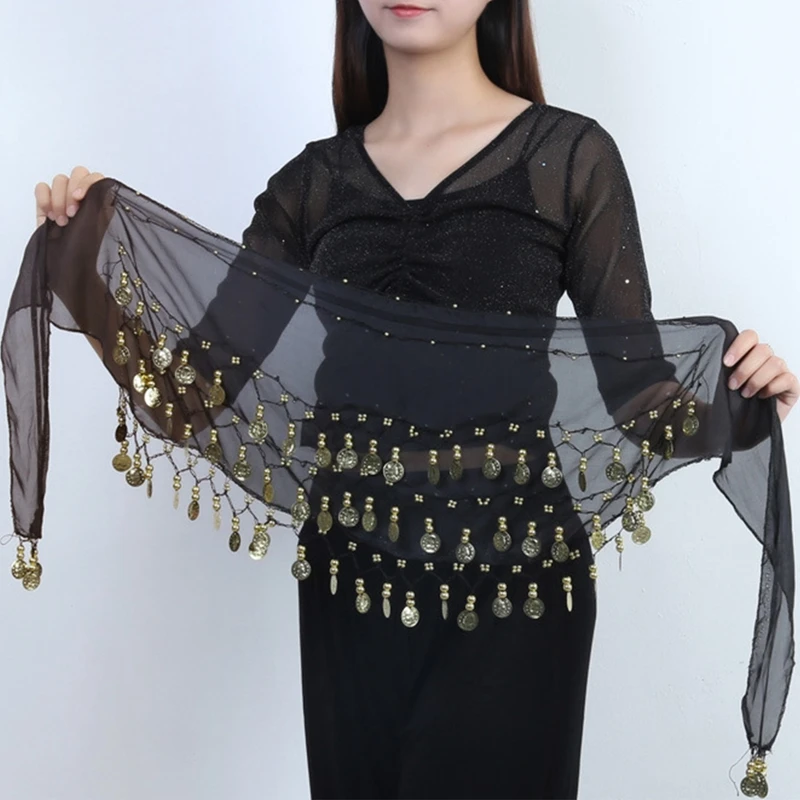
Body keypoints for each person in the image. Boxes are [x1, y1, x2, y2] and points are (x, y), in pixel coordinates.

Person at [32, 2, 798, 798]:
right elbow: (189, 397)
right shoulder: (310, 186)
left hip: (516, 582)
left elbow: (640, 395)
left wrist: (740, 404)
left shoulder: (569, 157)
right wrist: (82, 263)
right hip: (351, 582)